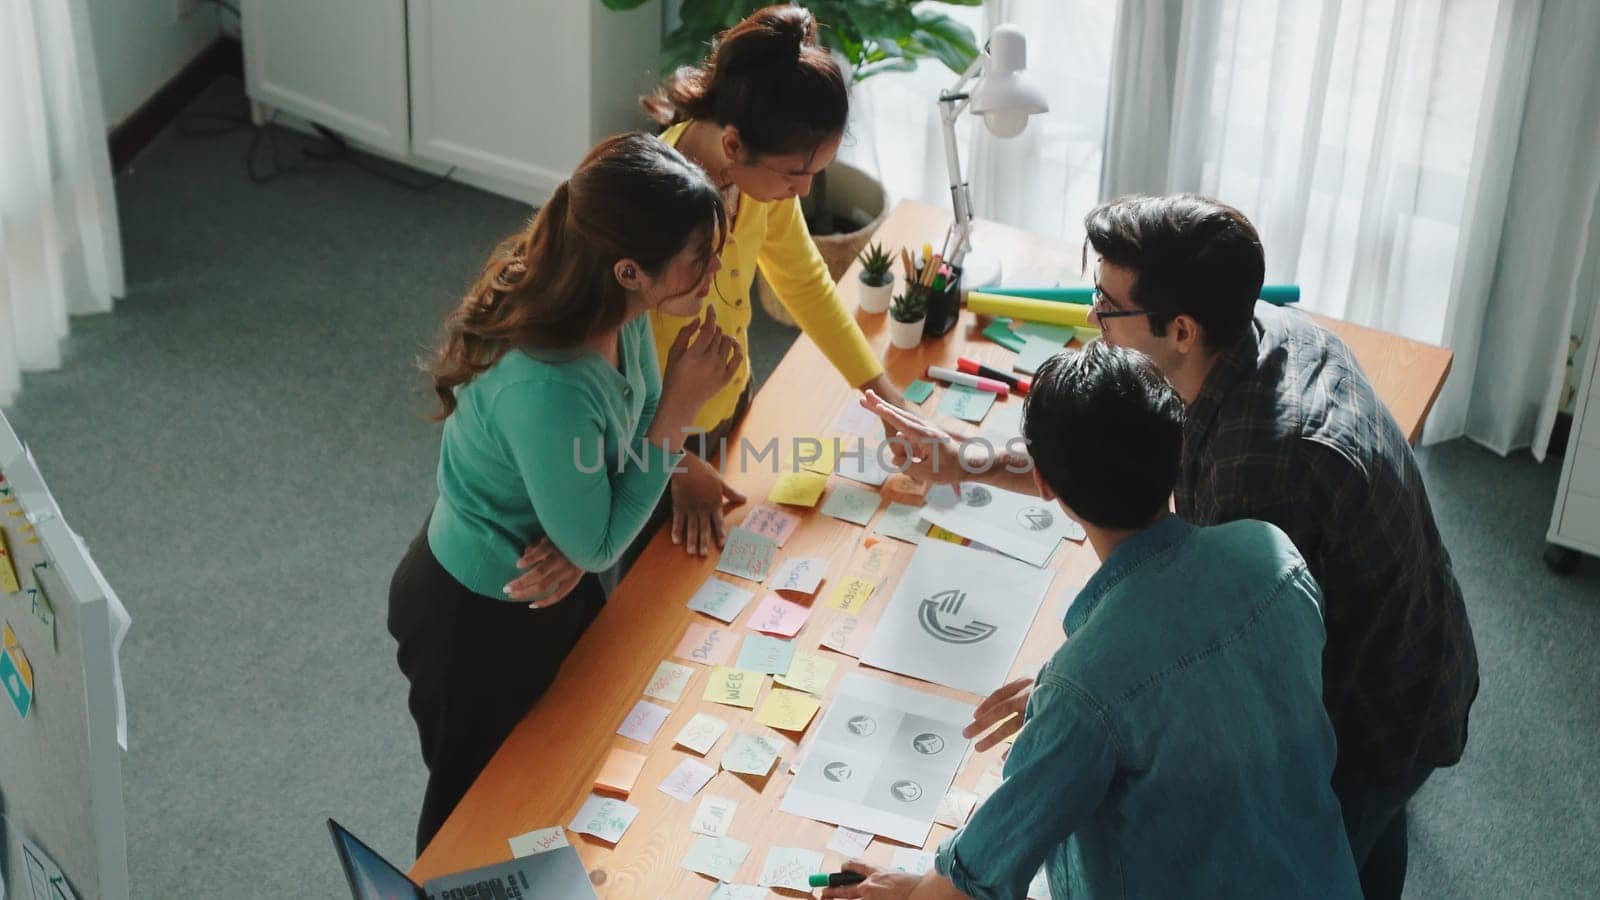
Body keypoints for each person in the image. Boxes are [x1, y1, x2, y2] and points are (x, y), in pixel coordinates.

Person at [862, 194, 1479, 900]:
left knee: (1333, 843)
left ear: (1179, 328)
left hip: (1375, 710)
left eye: (1106, 302)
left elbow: (1196, 649)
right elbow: (1130, 463)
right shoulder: (1250, 333)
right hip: (1392, 646)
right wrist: (964, 459)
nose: (1093, 317)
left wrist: (1104, 689)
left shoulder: (1260, 476)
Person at [825, 343, 1360, 900]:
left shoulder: (1083, 692)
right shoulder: (1270, 552)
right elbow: (1212, 688)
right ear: (1179, 447)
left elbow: (974, 879)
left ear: (1045, 486)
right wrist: (1091, 694)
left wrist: (912, 892)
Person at [386, 133, 742, 854]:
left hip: (547, 576)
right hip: (477, 610)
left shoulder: (620, 312)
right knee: (471, 813)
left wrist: (598, 526)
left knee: (562, 768)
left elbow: (624, 440)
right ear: (629, 270)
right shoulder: (548, 381)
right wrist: (679, 414)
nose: (715, 270)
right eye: (699, 258)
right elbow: (602, 537)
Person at [641, 4, 909, 556]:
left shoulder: (755, 183)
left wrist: (881, 395)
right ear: (735, 145)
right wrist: (676, 464)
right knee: (648, 585)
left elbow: (804, 279)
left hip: (727, 404)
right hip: (649, 442)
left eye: (815, 173)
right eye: (796, 174)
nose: (806, 191)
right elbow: (609, 369)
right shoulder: (646, 205)